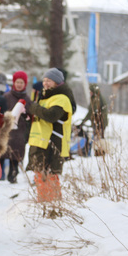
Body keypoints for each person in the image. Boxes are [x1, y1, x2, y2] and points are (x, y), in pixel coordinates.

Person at [25, 68, 73, 201]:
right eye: (44, 80)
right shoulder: (44, 97)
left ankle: (52, 205)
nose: (45, 83)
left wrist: (33, 107)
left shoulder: (61, 99)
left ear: (57, 82)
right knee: (40, 175)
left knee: (51, 176)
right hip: (39, 143)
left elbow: (51, 115)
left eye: (49, 81)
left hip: (52, 144)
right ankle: (44, 202)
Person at [2, 71, 32, 184]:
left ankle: (13, 174)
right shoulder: (6, 96)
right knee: (3, 152)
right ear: (14, 83)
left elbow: (30, 114)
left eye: (21, 82)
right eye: (17, 82)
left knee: (16, 154)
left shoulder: (27, 98)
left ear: (25, 84)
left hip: (20, 131)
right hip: (7, 130)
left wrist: (25, 114)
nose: (19, 84)